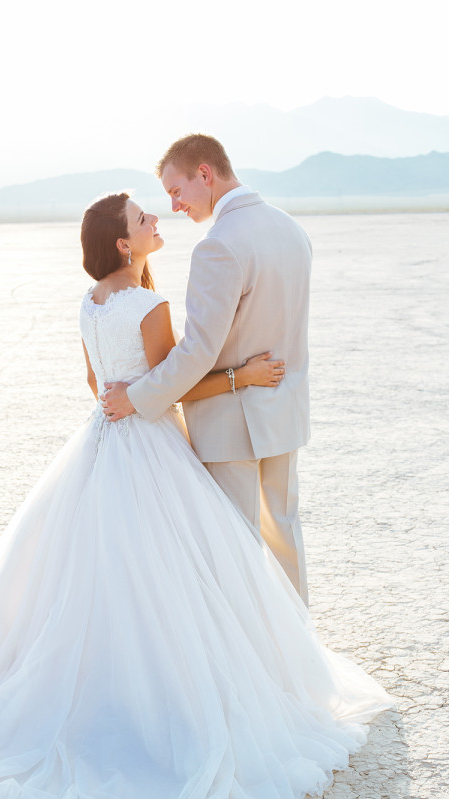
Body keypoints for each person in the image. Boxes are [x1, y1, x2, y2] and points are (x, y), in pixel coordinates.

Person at [0, 193, 392, 799]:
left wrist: (120, 396)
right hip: (149, 445)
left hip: (102, 444)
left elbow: (96, 384)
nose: (154, 223)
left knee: (93, 583)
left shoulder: (91, 303)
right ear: (122, 244)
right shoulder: (146, 304)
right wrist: (242, 377)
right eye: (143, 220)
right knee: (173, 583)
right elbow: (175, 382)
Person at [102, 135, 311, 604]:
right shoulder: (291, 229)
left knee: (234, 551)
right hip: (285, 409)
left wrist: (135, 397)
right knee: (285, 537)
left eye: (176, 190)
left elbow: (197, 351)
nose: (173, 205)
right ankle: (299, 654)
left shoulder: (218, 246)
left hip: (231, 421)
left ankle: (252, 663)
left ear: (204, 173)